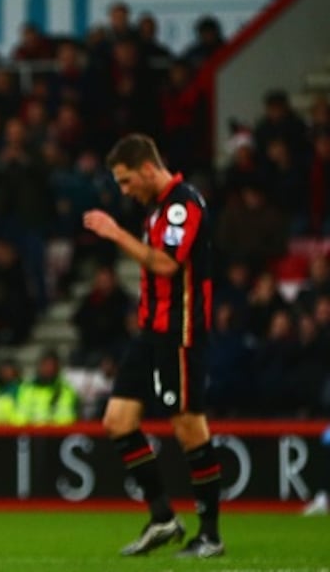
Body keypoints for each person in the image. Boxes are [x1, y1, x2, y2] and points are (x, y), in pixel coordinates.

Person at [83, 133, 224, 558]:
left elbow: (166, 262)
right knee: (117, 420)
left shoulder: (183, 203)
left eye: (127, 181)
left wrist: (115, 234)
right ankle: (163, 517)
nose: (125, 190)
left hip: (179, 333)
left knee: (187, 425)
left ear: (147, 168)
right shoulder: (158, 208)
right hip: (151, 331)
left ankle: (211, 535)